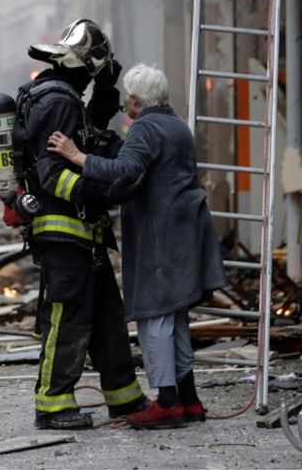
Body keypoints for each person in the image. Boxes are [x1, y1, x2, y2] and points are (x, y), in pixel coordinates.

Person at [47, 64, 227, 429]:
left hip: (161, 236)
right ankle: (189, 401)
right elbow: (143, 176)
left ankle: (167, 402)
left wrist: (75, 156)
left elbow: (125, 170)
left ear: (134, 98)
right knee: (175, 318)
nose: (123, 103)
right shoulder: (177, 124)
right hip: (186, 231)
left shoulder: (145, 127)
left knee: (154, 318)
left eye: (127, 97)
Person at [8, 19, 149, 430]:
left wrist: (108, 90)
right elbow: (53, 173)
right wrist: (96, 191)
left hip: (83, 234)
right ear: (85, 67)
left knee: (107, 315)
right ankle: (52, 404)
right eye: (94, 74)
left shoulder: (57, 96)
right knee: (67, 316)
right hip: (64, 230)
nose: (93, 82)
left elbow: (91, 130)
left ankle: (124, 396)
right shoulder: (60, 101)